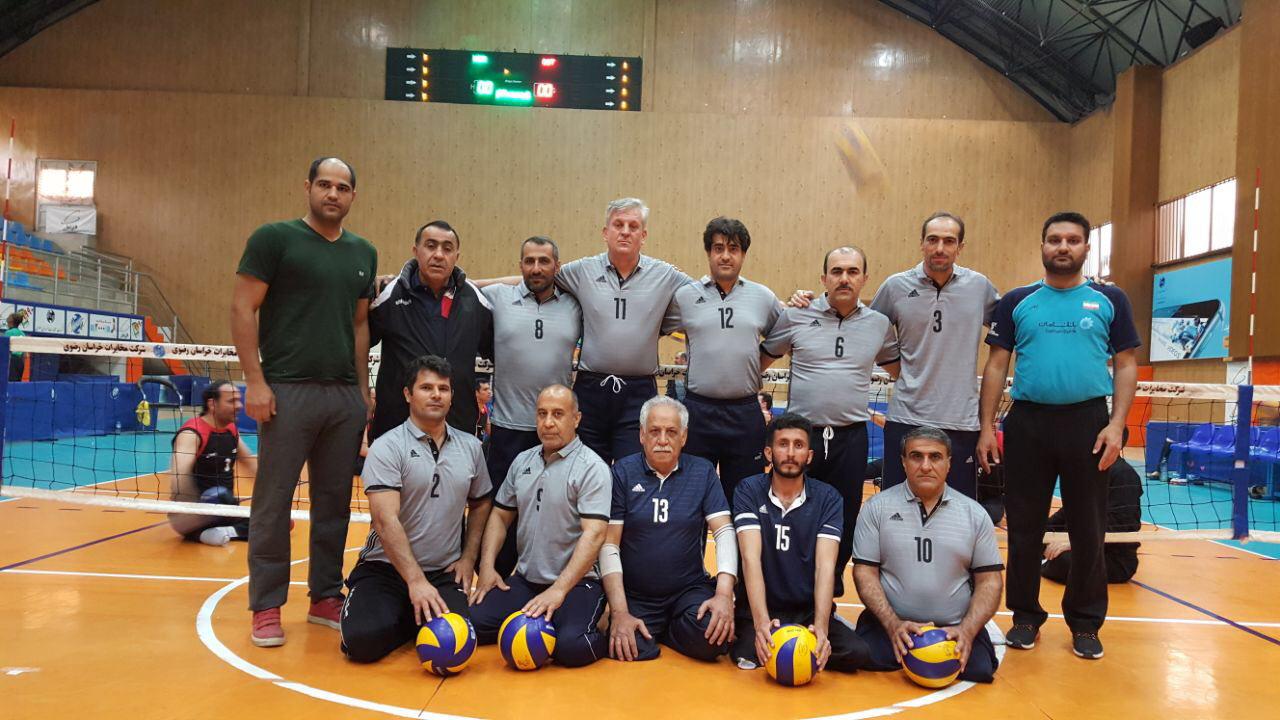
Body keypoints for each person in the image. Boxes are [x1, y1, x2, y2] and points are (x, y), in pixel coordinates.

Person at [978, 210, 1140, 660]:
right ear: (1043, 246)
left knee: (1088, 529)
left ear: (1086, 247)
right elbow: (996, 365)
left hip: (1088, 424)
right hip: (1028, 423)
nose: (1063, 247)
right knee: (1024, 528)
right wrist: (987, 426)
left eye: (1072, 240)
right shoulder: (1017, 301)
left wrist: (1116, 425)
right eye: (1054, 240)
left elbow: (1126, 364)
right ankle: (1025, 617)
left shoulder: (1110, 299)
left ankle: (1085, 623)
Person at [232, 156, 376, 648]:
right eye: (324, 184)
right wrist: (255, 381)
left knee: (335, 503)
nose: (333, 194)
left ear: (353, 195)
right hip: (286, 390)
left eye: (342, 187)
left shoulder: (363, 251)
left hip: (343, 396)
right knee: (272, 503)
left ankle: (325, 597)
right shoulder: (274, 239)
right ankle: (266, 605)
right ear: (308, 187)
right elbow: (243, 307)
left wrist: (362, 391)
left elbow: (360, 324)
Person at [761, 246, 898, 596]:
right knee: (791, 509)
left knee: (845, 515)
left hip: (851, 438)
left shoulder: (879, 325)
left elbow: (901, 371)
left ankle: (828, 588)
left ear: (865, 279)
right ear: (823, 278)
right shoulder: (796, 315)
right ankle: (787, 584)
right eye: (836, 271)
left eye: (852, 272)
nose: (844, 278)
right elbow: (760, 361)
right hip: (801, 438)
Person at [340, 355, 492, 663]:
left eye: (443, 389)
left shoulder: (471, 447)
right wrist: (415, 581)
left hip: (442, 571)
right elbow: (385, 521)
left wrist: (468, 558)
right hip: (385, 569)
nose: (436, 395)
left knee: (455, 643)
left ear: (451, 396)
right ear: (408, 394)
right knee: (362, 642)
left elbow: (481, 503)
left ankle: (411, 616)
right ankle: (405, 613)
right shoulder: (387, 447)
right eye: (426, 388)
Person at [471, 385, 611, 667]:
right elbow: (500, 516)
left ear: (576, 419)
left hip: (577, 584)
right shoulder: (522, 461)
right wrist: (487, 568)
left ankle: (606, 628)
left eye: (558, 414)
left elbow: (594, 534)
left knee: (570, 647)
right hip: (526, 581)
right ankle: (549, 621)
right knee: (473, 623)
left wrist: (558, 590)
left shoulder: (592, 467)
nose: (548, 422)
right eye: (542, 414)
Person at [852, 427, 1004, 683]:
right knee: (862, 657)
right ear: (903, 462)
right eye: (916, 456)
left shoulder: (974, 514)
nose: (925, 466)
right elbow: (864, 572)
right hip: (889, 625)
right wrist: (892, 624)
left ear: (949, 463)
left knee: (980, 669)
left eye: (935, 457)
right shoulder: (877, 508)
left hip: (954, 627)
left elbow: (990, 581)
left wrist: (967, 631)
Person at [868, 212, 999, 499]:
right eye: (933, 240)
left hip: (962, 422)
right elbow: (865, 330)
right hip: (906, 417)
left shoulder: (979, 287)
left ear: (960, 247)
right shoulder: (895, 286)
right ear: (922, 243)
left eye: (949, 241)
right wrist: (899, 370)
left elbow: (1012, 327)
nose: (940, 248)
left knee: (958, 510)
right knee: (898, 507)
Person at [554, 198, 692, 463]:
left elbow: (705, 297)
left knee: (634, 471)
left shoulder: (666, 275)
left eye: (633, 226)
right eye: (618, 225)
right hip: (590, 390)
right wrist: (479, 285)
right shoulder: (581, 270)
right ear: (605, 232)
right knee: (587, 470)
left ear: (644, 235)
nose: (625, 231)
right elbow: (537, 278)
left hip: (638, 393)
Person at [731, 412, 871, 672]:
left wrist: (821, 627)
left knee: (857, 653)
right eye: (783, 444)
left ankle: (810, 637)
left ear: (809, 455)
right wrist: (761, 623)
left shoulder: (828, 498)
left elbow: (825, 567)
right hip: (760, 608)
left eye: (798, 445)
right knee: (747, 653)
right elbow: (751, 559)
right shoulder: (748, 490)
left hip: (806, 611)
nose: (790, 453)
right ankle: (767, 634)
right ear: (769, 453)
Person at [602, 396, 736, 662]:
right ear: (642, 435)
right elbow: (609, 544)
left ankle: (667, 630)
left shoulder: (703, 472)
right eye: (654, 431)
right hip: (637, 594)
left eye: (671, 432)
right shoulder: (622, 473)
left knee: (715, 637)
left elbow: (724, 532)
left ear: (683, 437)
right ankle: (663, 630)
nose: (662, 440)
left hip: (688, 591)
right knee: (630, 648)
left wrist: (723, 594)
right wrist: (619, 612)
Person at [479, 236, 582, 576]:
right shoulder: (498, 297)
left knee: (553, 514)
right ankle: (492, 582)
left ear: (557, 266)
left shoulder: (575, 306)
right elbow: (461, 284)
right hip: (508, 430)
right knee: (502, 512)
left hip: (555, 435)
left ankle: (548, 582)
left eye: (544, 261)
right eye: (529, 261)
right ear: (520, 265)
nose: (536, 268)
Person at [662, 217, 782, 500]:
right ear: (708, 253)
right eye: (718, 248)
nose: (725, 256)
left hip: (745, 413)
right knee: (692, 498)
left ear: (743, 254)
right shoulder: (685, 297)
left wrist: (756, 365)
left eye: (733, 248)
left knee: (744, 499)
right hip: (698, 412)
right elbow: (653, 327)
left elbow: (784, 335)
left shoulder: (763, 297)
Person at [369, 220, 494, 441]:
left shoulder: (475, 300)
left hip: (457, 428)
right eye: (431, 246)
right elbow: (358, 345)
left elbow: (496, 352)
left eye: (447, 248)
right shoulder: (388, 294)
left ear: (456, 256)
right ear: (416, 251)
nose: (438, 255)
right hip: (396, 427)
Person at [167, 381, 257, 546]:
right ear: (212, 404)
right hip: (195, 512)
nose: (239, 406)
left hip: (226, 509)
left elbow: (251, 465)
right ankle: (202, 531)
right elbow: (179, 476)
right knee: (220, 495)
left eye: (239, 400)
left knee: (282, 523)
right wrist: (188, 512)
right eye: (231, 401)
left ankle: (222, 532)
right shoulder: (192, 432)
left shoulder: (231, 429)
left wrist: (272, 496)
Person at [1042, 449, 1143, 585]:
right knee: (1031, 542)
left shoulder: (1123, 474)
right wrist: (1041, 533)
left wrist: (1075, 542)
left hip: (1112, 558)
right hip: (1079, 545)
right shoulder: (1087, 471)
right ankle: (1046, 560)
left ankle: (1045, 564)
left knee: (1066, 562)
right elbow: (1067, 512)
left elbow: (1121, 526)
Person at [5, 310, 26, 382]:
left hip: (11, 361)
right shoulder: (23, 334)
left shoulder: (8, 333)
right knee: (17, 383)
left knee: (9, 383)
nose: (7, 320)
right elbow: (24, 353)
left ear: (11, 321)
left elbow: (4, 349)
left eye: (8, 318)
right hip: (20, 362)